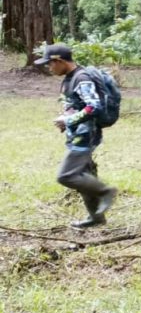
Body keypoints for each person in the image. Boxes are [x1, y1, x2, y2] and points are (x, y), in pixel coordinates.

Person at [35, 44, 118, 228]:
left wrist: (69, 120)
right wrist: (66, 119)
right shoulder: (69, 78)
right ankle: (96, 217)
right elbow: (76, 105)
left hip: (85, 134)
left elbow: (93, 106)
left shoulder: (81, 78)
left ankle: (106, 192)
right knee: (84, 174)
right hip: (78, 132)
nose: (49, 68)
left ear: (60, 61)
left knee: (66, 175)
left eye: (50, 64)